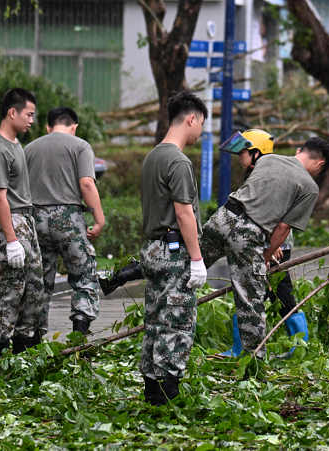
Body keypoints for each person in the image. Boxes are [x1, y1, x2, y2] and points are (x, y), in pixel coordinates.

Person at [200, 135, 329, 359]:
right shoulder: (309, 186)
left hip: (223, 218)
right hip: (250, 235)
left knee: (188, 266)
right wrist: (263, 258)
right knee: (251, 299)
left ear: (299, 150)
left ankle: (165, 318)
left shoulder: (267, 159)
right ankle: (252, 362)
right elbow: (283, 228)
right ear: (320, 164)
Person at [139, 90, 208, 406]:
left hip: (153, 250)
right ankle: (168, 397)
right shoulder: (178, 161)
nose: (200, 131)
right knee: (177, 322)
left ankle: (151, 392)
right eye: (201, 124)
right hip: (173, 252)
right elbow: (184, 213)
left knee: (155, 320)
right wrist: (197, 259)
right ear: (191, 119)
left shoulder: (152, 156)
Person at [24, 106, 105, 337]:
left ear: (48, 127)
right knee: (84, 276)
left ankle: (33, 340)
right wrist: (99, 219)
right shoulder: (80, 146)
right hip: (68, 219)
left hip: (36, 219)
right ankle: (78, 337)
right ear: (74, 126)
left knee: (39, 281)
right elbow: (87, 183)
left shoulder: (29, 148)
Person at [230, 129, 306, 358]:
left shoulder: (268, 175)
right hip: (264, 245)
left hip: (273, 247)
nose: (239, 156)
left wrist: (272, 245)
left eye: (243, 152)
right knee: (270, 294)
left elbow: (277, 211)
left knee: (263, 294)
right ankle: (298, 347)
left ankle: (297, 348)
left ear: (257, 152)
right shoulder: (257, 173)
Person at [0, 88, 44, 358]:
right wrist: (11, 240)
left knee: (33, 289)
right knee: (8, 291)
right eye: (28, 115)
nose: (31, 120)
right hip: (9, 223)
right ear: (12, 112)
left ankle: (22, 353)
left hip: (25, 221)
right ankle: (0, 353)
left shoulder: (16, 145)